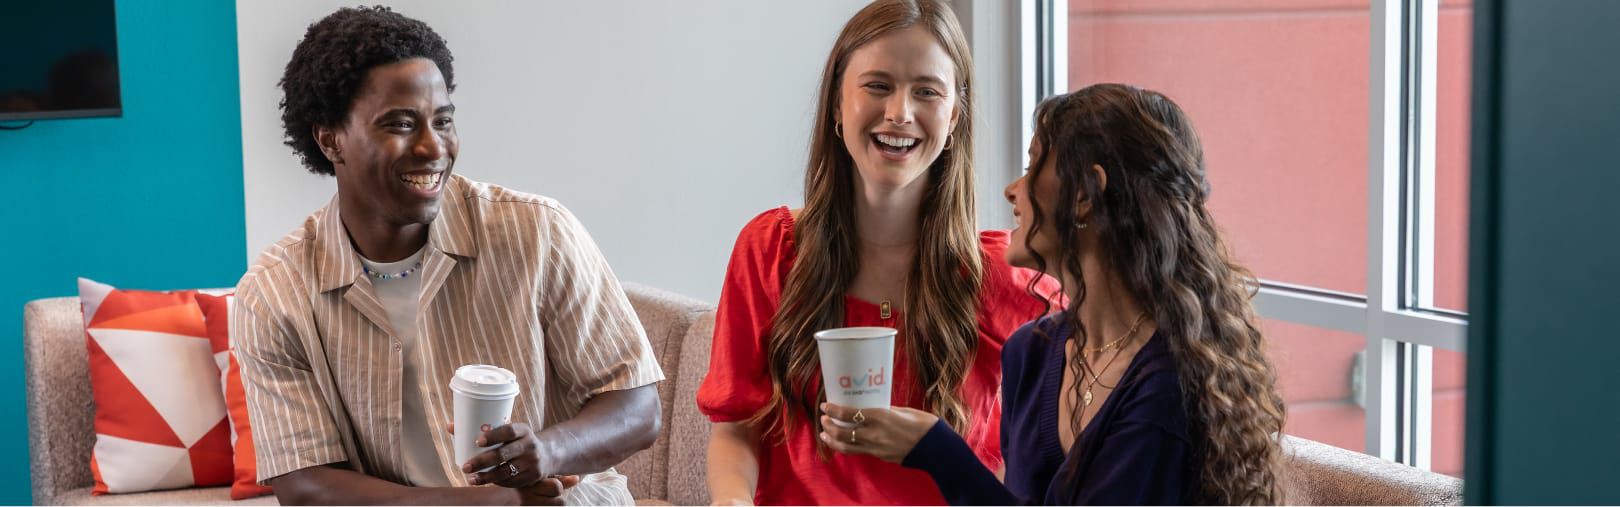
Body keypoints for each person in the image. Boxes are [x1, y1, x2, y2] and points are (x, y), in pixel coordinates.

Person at [232, 6, 662, 505]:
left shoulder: (539, 232)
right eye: (400, 124)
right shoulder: (275, 293)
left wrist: (548, 449)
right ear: (331, 140)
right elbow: (306, 486)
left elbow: (638, 406)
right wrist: (503, 503)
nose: (432, 147)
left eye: (443, 121)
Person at [820, 83, 1290, 505]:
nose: (1013, 190)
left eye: (1032, 167)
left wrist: (937, 450)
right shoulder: (1031, 353)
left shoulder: (1166, 386)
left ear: (1086, 194)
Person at [697, 0, 1057, 504]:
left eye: (926, 92)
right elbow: (737, 427)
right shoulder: (772, 249)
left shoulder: (1011, 279)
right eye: (878, 85)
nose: (899, 113)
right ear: (837, 105)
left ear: (954, 116)